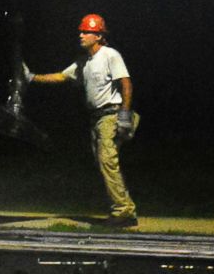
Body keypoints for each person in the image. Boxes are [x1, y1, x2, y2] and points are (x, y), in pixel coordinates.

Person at [24, 14, 140, 227]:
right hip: (97, 118)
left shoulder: (110, 55)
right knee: (105, 163)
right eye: (81, 31)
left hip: (110, 115)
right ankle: (125, 209)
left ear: (99, 36)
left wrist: (124, 114)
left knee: (107, 161)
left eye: (86, 32)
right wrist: (31, 77)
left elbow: (126, 83)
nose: (81, 35)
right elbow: (61, 76)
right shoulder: (84, 62)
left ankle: (123, 211)